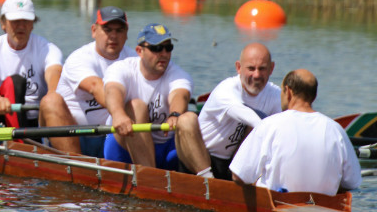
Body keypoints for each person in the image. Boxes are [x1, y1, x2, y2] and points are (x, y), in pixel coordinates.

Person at [230, 69, 361, 195]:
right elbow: (352, 182)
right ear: (314, 96)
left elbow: (238, 176)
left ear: (288, 92)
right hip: (324, 206)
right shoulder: (336, 130)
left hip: (278, 205)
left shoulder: (269, 125)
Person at [38, 6, 136, 156]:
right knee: (50, 101)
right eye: (107, 30)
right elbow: (95, 87)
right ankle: (75, 164)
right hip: (74, 136)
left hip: (111, 136)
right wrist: (118, 113)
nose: (113, 36)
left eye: (119, 30)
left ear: (126, 33)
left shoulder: (134, 60)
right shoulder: (79, 58)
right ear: (94, 31)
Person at [103, 23, 203, 170]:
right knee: (136, 106)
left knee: (189, 118)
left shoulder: (179, 74)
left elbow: (180, 95)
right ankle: (150, 175)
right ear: (139, 51)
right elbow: (113, 90)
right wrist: (118, 115)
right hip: (125, 145)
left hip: (165, 149)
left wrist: (175, 114)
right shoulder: (121, 68)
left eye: (168, 48)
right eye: (157, 48)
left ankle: (207, 178)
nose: (164, 53)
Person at [183, 43, 282, 179]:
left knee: (257, 130)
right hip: (200, 157)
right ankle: (208, 180)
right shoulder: (226, 90)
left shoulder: (275, 94)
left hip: (232, 163)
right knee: (185, 120)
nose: (257, 75)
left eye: (262, 68)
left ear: (271, 68)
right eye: (251, 68)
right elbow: (250, 117)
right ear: (238, 68)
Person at [0, 0, 63, 132]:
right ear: (3, 24)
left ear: (32, 24)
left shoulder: (48, 49)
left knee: (54, 99)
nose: (21, 26)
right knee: (15, 83)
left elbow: (54, 75)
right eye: (15, 21)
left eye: (26, 20)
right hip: (0, 116)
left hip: (37, 119)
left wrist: (52, 96)